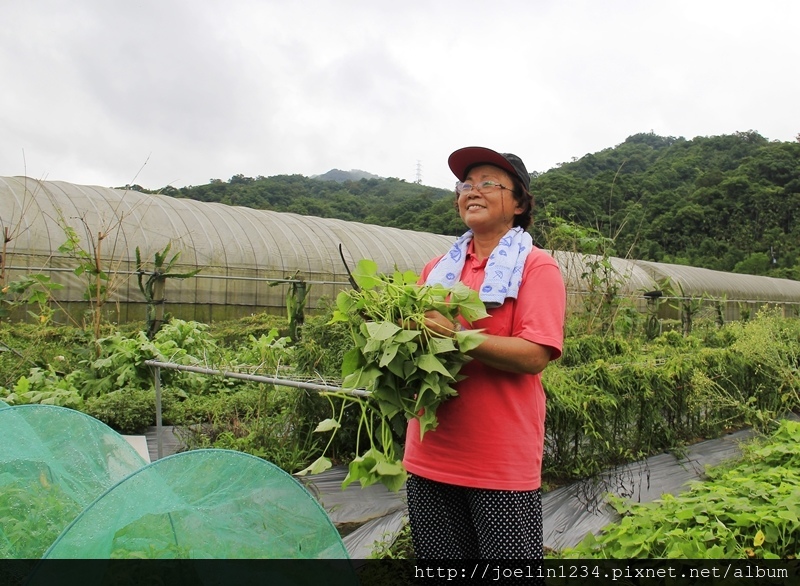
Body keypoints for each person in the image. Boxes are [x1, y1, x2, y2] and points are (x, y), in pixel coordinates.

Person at [402, 146, 566, 560]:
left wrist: (457, 337)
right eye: (465, 184)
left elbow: (535, 354)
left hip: (498, 459)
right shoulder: (437, 269)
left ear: (518, 202)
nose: (472, 191)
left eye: (488, 183)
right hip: (430, 452)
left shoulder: (536, 267)